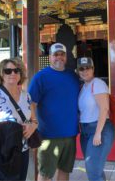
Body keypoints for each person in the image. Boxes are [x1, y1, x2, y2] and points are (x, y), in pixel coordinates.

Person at [28, 43, 80, 181]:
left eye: (62, 54)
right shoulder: (41, 77)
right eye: (55, 54)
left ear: (66, 57)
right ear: (50, 57)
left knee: (65, 170)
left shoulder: (73, 76)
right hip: (48, 135)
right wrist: (34, 123)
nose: (59, 57)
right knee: (45, 173)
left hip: (70, 134)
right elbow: (31, 103)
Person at [0, 58, 37, 181]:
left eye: (16, 70)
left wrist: (32, 126)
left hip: (21, 148)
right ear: (1, 74)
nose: (12, 73)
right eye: (8, 71)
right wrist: (15, 129)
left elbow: (34, 120)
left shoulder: (26, 96)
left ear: (20, 74)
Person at [77, 57, 115, 181]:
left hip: (99, 129)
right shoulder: (83, 87)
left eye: (87, 68)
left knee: (93, 170)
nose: (84, 71)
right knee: (94, 169)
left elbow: (104, 109)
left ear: (93, 69)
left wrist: (98, 133)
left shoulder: (98, 83)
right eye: (81, 68)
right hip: (86, 131)